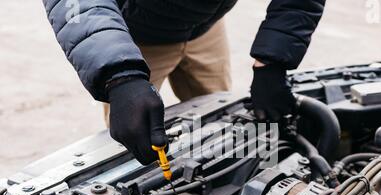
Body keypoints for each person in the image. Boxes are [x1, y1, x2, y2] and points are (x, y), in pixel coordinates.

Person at [42, 0, 325, 164]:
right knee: (136, 139)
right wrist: (120, 75)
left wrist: (273, 59)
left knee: (224, 122)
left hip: (205, 27)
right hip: (136, 37)